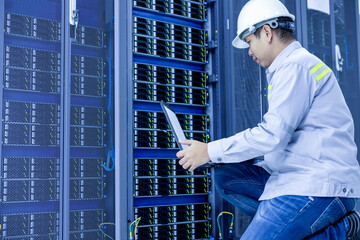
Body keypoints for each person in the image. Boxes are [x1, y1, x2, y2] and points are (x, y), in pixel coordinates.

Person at [176, 0, 360, 239]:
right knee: (226, 176)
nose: (250, 51)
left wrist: (210, 151)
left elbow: (273, 135)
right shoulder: (289, 68)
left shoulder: (295, 68)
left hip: (316, 185)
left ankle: (343, 230)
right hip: (293, 175)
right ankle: (289, 228)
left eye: (250, 42)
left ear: (266, 32)